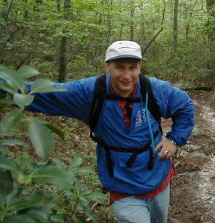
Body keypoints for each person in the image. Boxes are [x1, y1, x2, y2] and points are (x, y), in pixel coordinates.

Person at [25, 40, 195, 223]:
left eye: (133, 67)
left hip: (157, 174)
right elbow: (46, 93)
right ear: (107, 67)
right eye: (119, 67)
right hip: (120, 181)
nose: (127, 75)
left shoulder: (153, 89)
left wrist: (174, 140)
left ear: (140, 67)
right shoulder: (91, 92)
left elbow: (184, 105)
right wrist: (8, 89)